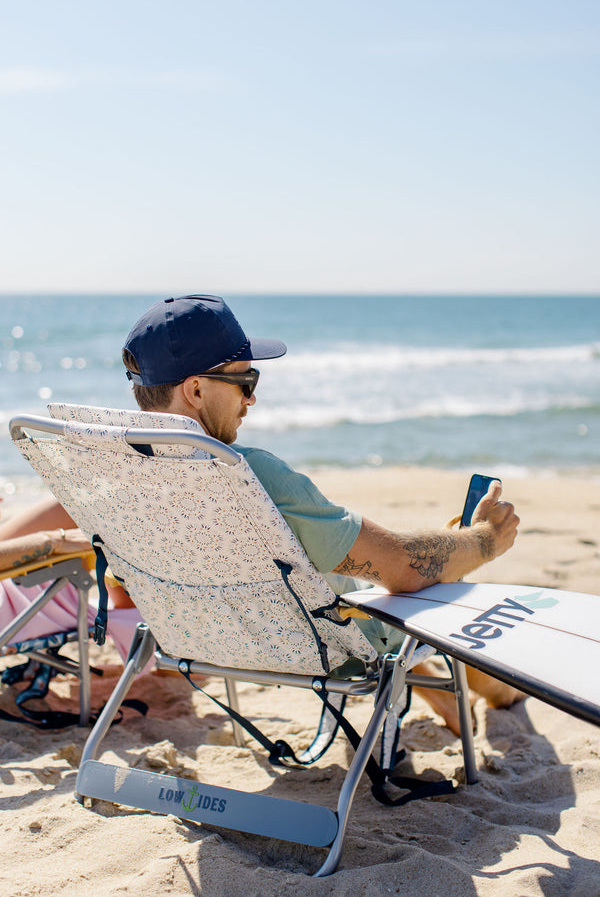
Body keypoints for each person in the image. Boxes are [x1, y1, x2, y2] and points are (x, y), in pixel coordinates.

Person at [121, 294, 522, 732]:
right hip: (326, 646)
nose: (251, 400)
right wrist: (485, 539)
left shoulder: (118, 471)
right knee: (433, 575)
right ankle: (504, 694)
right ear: (196, 390)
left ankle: (451, 696)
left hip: (204, 643)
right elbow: (406, 570)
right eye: (246, 381)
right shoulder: (248, 475)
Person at [0, 495, 142, 661]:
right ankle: (138, 627)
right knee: (91, 506)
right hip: (13, 604)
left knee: (93, 505)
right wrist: (55, 541)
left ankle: (136, 623)